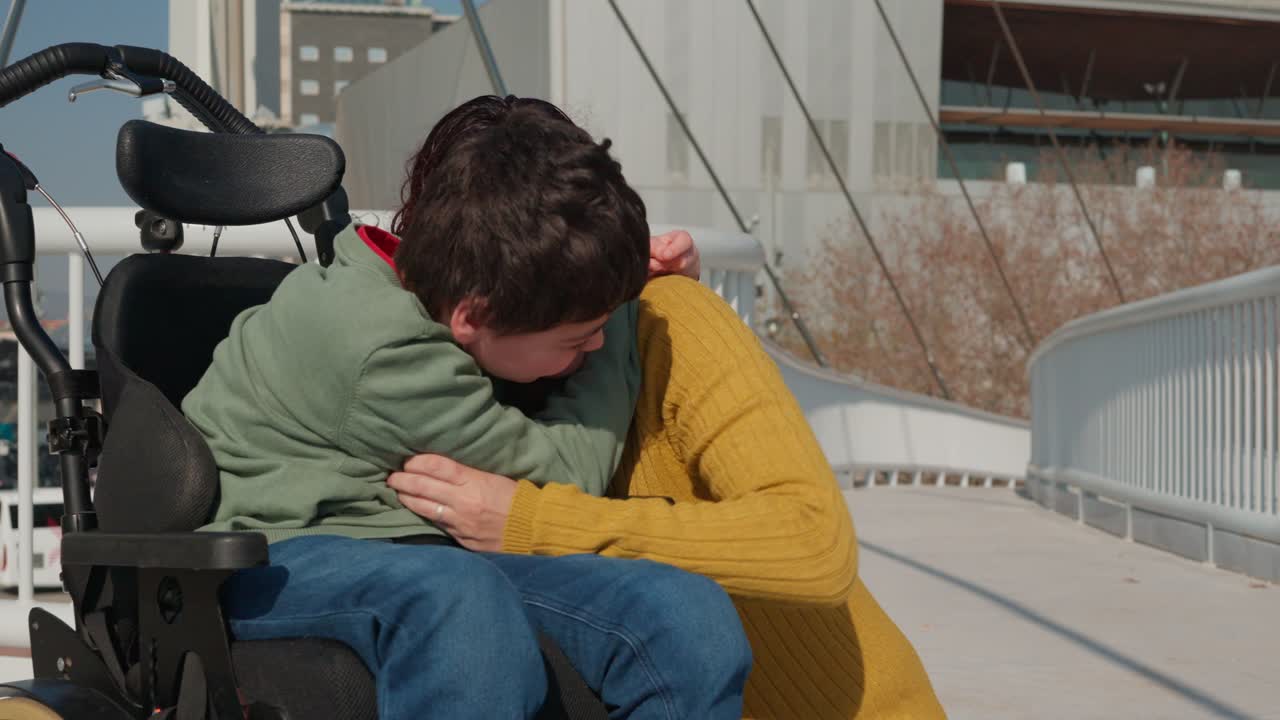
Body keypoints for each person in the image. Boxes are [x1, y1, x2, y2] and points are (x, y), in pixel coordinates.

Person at [183, 96, 751, 719]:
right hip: (277, 555)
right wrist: (622, 314)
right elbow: (568, 473)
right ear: (473, 317)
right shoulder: (380, 346)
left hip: (417, 551)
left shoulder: (435, 290)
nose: (591, 349)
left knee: (683, 614)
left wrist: (605, 284)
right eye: (575, 338)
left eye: (597, 331)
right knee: (460, 602)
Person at [390, 240, 949, 715]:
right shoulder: (409, 377)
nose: (598, 340)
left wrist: (533, 522)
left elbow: (813, 542)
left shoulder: (665, 318)